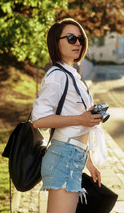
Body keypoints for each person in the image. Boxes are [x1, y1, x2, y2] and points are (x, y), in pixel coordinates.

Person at [31, 18, 107, 213]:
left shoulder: (72, 75)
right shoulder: (57, 76)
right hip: (63, 158)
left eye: (80, 39)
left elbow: (79, 126)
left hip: (74, 157)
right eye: (71, 38)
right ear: (56, 42)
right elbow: (38, 120)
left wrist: (88, 163)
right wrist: (80, 118)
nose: (78, 43)